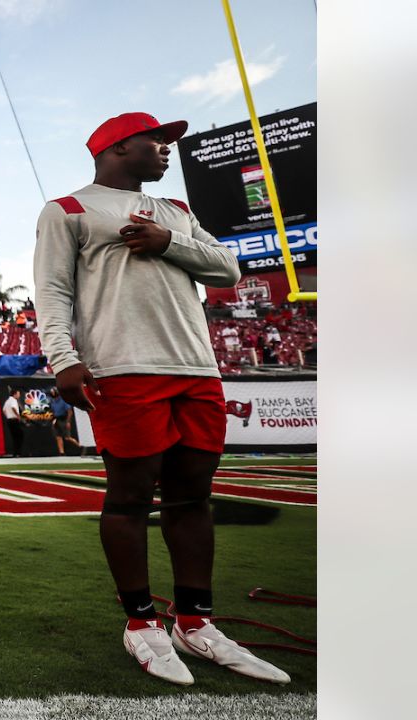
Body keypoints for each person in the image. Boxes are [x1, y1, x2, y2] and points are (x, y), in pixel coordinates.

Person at [34, 111, 287, 686]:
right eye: (157, 140)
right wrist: (63, 357)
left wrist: (167, 241)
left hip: (196, 365)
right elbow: (51, 290)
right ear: (119, 146)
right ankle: (140, 622)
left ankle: (194, 621)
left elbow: (228, 268)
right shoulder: (68, 210)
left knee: (192, 496)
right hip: (122, 366)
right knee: (128, 496)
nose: (168, 149)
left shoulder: (178, 211)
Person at [48, 386, 80, 455]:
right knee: (58, 437)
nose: (52, 393)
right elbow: (53, 411)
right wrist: (53, 420)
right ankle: (61, 452)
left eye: (53, 392)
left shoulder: (63, 400)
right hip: (57, 419)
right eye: (52, 392)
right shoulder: (53, 401)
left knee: (67, 437)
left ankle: (80, 446)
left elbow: (70, 411)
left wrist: (68, 422)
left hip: (64, 419)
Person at [1, 387, 23, 458]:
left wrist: (8, 416)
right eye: (18, 394)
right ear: (15, 394)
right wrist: (17, 416)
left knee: (15, 437)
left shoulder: (7, 401)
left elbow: (4, 410)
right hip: (14, 420)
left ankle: (15, 453)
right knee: (19, 436)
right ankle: (18, 452)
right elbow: (13, 407)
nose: (19, 395)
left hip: (9, 420)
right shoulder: (13, 400)